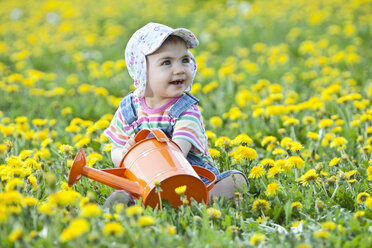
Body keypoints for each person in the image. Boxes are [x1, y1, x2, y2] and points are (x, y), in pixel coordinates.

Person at [103, 22, 248, 210]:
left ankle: (197, 198)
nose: (179, 69)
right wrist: (126, 153)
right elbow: (115, 149)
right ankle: (137, 202)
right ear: (143, 72)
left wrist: (147, 150)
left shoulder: (186, 109)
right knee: (128, 188)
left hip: (191, 176)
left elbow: (178, 151)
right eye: (166, 62)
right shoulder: (129, 108)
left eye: (185, 60)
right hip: (146, 178)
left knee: (236, 180)